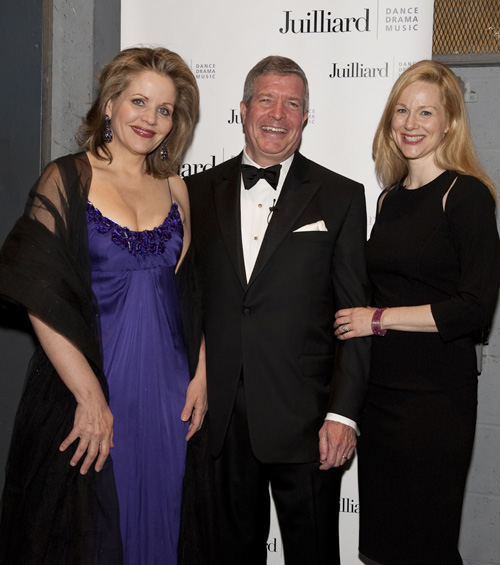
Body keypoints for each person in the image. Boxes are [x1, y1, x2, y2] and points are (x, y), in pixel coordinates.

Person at [0, 46, 206, 564]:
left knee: (161, 517)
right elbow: (39, 297)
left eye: (164, 110)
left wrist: (201, 374)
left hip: (167, 390)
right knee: (86, 532)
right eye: (139, 101)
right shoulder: (67, 179)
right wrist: (89, 397)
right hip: (88, 380)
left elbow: (190, 296)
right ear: (110, 103)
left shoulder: (176, 190)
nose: (151, 119)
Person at [184, 55, 371, 564]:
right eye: (266, 99)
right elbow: (183, 302)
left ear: (306, 117)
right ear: (242, 109)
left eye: (293, 104)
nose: (278, 114)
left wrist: (344, 414)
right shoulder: (193, 193)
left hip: (308, 421)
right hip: (217, 419)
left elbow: (355, 314)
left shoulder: (342, 196)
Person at [334, 60, 500, 564]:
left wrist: (376, 319)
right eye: (402, 110)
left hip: (434, 400)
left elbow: (473, 309)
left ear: (449, 121)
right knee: (383, 545)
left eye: (426, 112)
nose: (411, 123)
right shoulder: (387, 200)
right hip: (380, 396)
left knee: (424, 544)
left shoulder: (466, 195)